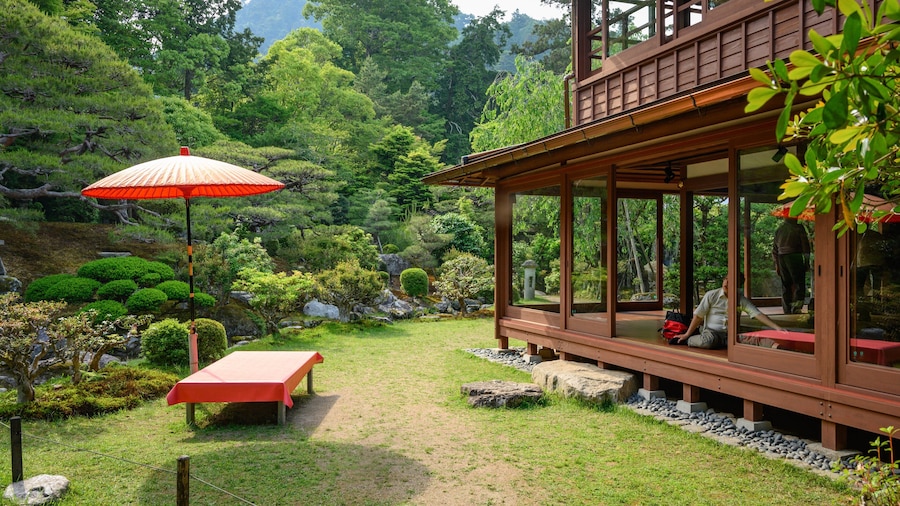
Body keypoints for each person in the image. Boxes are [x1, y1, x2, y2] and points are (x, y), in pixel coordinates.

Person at [674, 277, 784, 349]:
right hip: (711, 333)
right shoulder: (711, 295)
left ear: (737, 285)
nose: (726, 282)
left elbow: (757, 314)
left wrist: (777, 327)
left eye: (731, 280)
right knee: (709, 341)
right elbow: (698, 316)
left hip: (730, 334)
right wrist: (687, 334)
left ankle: (778, 347)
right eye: (726, 279)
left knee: (751, 338)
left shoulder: (740, 299)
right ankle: (690, 340)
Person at [772, 217, 811, 314]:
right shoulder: (798, 228)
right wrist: (806, 261)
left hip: (781, 258)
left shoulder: (780, 229)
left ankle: (787, 309)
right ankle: (796, 308)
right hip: (794, 256)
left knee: (786, 285)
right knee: (799, 284)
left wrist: (777, 264)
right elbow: (805, 246)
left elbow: (774, 249)